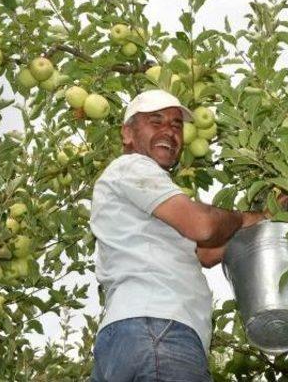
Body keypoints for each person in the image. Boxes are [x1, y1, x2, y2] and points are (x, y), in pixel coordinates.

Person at [89, 89, 267, 382]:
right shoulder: (133, 167)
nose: (169, 132)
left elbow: (207, 253)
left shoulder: (152, 201)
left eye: (175, 125)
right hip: (158, 330)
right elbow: (203, 226)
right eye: (155, 121)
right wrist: (247, 217)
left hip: (124, 343)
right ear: (127, 133)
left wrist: (267, 221)